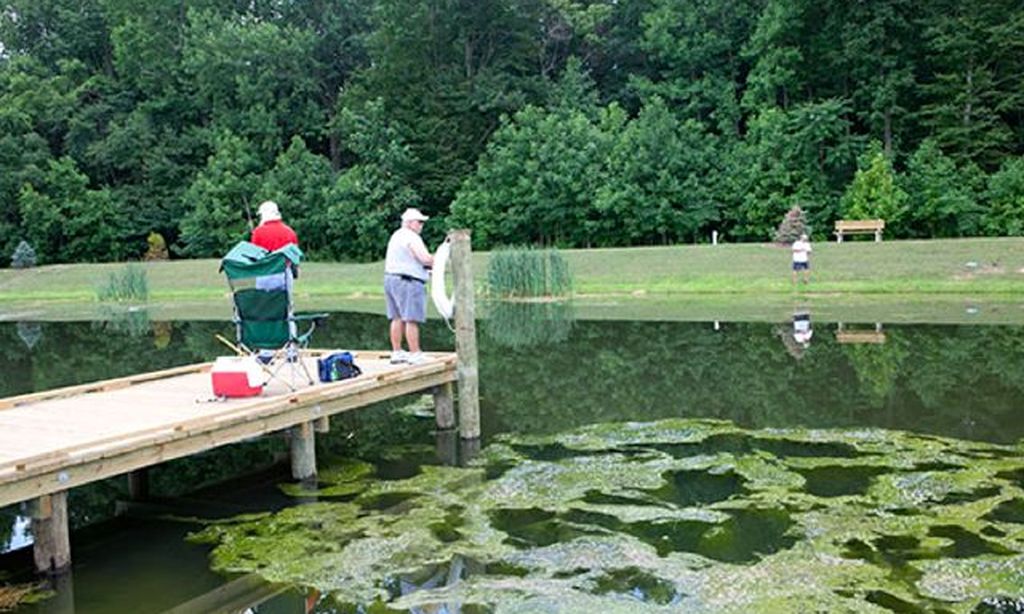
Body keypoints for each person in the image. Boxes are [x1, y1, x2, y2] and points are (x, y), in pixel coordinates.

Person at [384, 208, 435, 365]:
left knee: (397, 317)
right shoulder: (411, 237)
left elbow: (412, 258)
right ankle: (415, 354)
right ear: (411, 223)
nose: (421, 226)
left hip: (391, 279)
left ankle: (397, 352)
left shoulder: (397, 235)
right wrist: (440, 258)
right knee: (411, 318)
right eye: (419, 222)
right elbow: (425, 259)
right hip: (408, 282)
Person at [250, 201, 299, 290]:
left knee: (264, 302)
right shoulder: (290, 232)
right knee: (285, 302)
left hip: (264, 273)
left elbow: (254, 257)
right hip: (285, 274)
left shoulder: (258, 232)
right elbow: (295, 258)